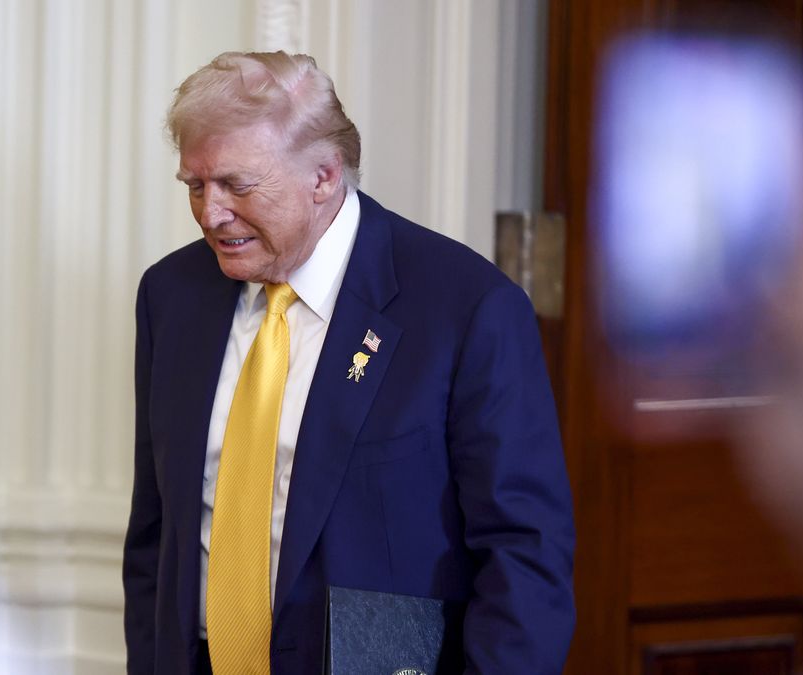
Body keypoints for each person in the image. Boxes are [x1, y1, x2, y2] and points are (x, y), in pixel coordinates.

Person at [123, 51, 575, 675]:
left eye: (237, 185)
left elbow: (526, 556)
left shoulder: (466, 310)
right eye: (195, 186)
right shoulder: (172, 296)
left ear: (324, 176)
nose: (211, 212)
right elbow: (155, 532)